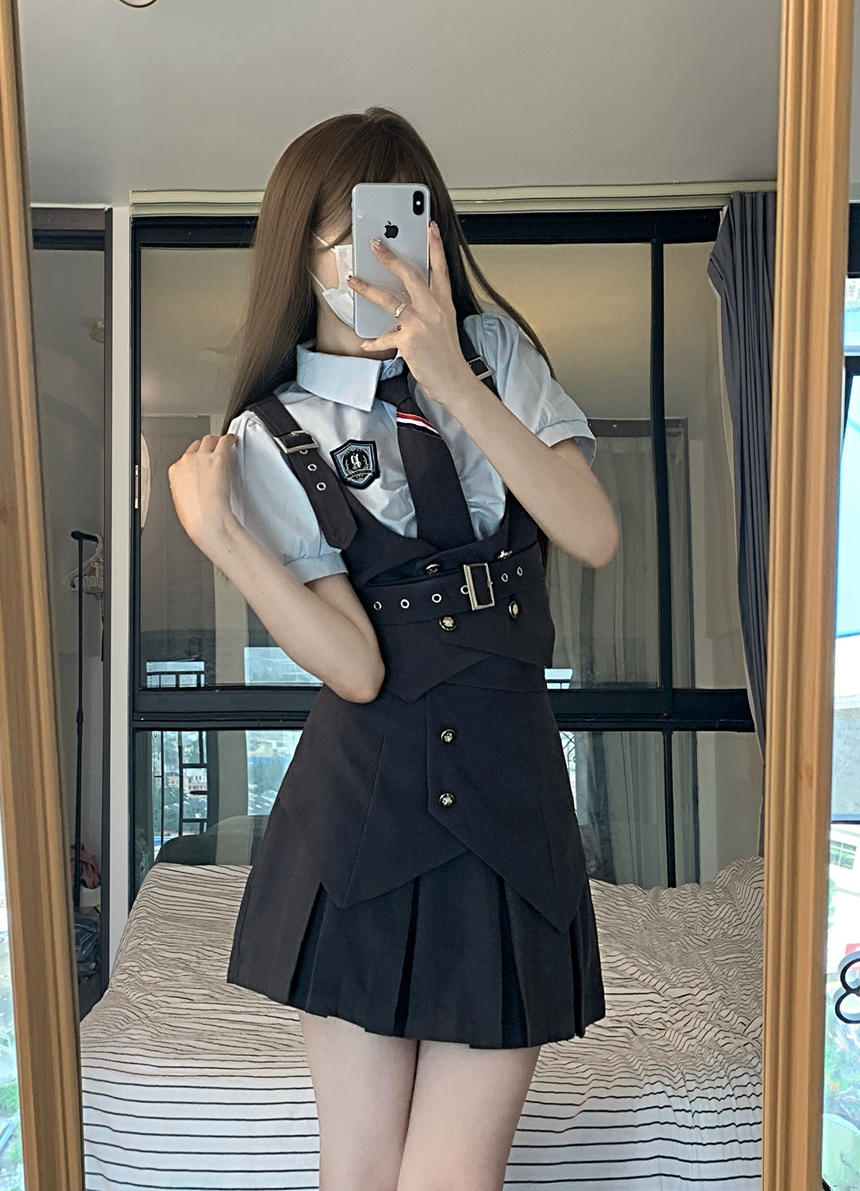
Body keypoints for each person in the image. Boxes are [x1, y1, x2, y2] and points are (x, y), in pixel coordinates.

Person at [168, 107, 619, 1191]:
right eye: (349, 237)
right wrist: (224, 537)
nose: (382, 261)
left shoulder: (494, 355)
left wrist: (449, 375)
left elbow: (592, 532)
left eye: (406, 228)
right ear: (302, 253)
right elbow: (356, 666)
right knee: (363, 1172)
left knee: (457, 1178)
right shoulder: (271, 433)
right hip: (360, 817)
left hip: (511, 807)